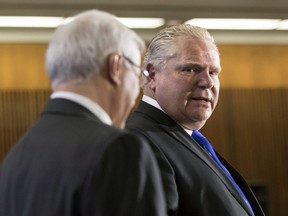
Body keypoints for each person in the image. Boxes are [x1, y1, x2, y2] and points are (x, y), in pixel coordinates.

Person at [0, 9, 166, 216]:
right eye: (136, 71)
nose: (137, 89)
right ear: (115, 66)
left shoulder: (18, 154)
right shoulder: (119, 149)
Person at [126, 24, 265, 216]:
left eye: (213, 72)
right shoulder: (138, 143)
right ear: (151, 75)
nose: (207, 82)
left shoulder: (188, 141)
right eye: (190, 69)